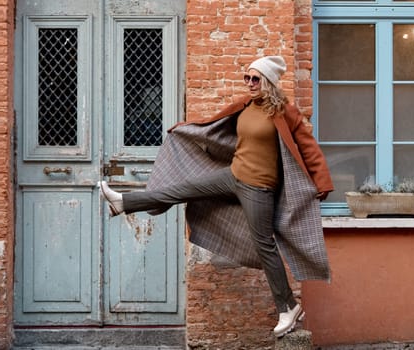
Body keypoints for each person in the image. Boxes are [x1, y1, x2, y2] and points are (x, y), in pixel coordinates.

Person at [100, 56, 333, 338]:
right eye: (246, 78)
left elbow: (308, 147)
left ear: (269, 81)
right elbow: (213, 123)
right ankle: (123, 202)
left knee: (264, 246)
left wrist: (322, 182)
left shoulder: (284, 112)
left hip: (259, 188)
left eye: (255, 79)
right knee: (180, 189)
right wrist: (185, 129)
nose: (249, 84)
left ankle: (288, 307)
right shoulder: (246, 105)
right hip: (232, 176)